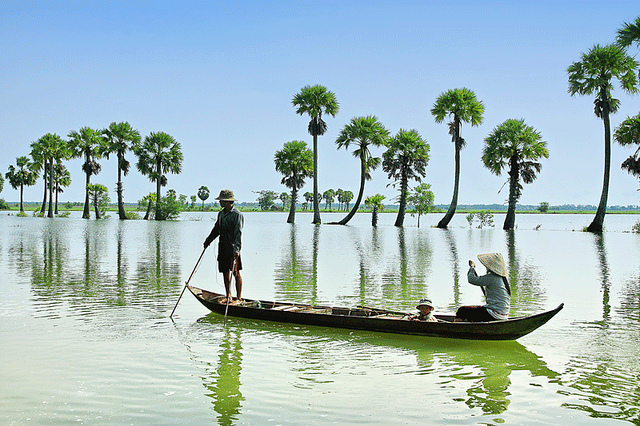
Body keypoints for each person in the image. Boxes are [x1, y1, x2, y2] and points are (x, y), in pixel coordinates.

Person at [204, 189, 244, 304]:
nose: (220, 202)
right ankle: (228, 296)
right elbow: (217, 229)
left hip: (232, 248)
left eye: (221, 200)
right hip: (222, 247)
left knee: (235, 272)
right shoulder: (221, 214)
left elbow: (238, 233)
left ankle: (239, 298)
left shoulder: (237, 215)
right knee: (225, 272)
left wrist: (237, 249)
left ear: (227, 201)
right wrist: (208, 240)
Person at [454, 253, 511, 322]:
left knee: (462, 310)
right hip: (504, 314)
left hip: (494, 314)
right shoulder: (502, 278)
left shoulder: (492, 277)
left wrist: (472, 267)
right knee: (474, 311)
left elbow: (472, 279)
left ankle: (455, 327)